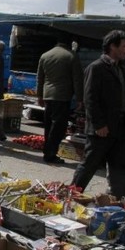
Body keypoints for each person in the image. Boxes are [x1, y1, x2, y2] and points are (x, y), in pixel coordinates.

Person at [71, 30, 125, 199]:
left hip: (120, 127)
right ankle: (71, 196)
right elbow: (90, 99)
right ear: (112, 47)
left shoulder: (123, 68)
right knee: (89, 164)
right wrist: (99, 124)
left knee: (119, 167)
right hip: (102, 128)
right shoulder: (96, 68)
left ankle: (123, 204)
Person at [36, 33, 84, 164]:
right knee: (58, 127)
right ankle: (50, 153)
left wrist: (39, 95)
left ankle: (48, 151)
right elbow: (77, 79)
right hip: (62, 96)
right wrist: (80, 98)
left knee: (48, 125)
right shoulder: (71, 56)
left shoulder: (45, 55)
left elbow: (39, 78)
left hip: (47, 95)